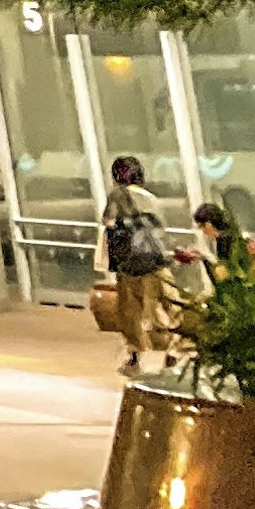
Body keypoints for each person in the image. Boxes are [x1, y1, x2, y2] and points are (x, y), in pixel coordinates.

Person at [102, 153, 176, 374]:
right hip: (154, 262)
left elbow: (108, 223)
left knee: (130, 313)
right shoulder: (152, 199)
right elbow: (161, 230)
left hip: (128, 265)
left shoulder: (116, 196)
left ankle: (135, 358)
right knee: (161, 308)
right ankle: (170, 352)